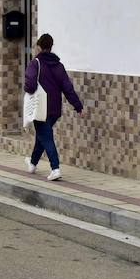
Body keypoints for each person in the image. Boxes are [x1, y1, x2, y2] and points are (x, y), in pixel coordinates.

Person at [24, 33, 83, 181]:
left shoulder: (35, 63)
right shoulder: (59, 65)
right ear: (51, 47)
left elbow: (30, 85)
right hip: (55, 109)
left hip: (40, 107)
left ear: (39, 46)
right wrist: (78, 106)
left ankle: (55, 168)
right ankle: (32, 164)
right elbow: (67, 88)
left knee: (46, 137)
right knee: (43, 135)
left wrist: (29, 89)